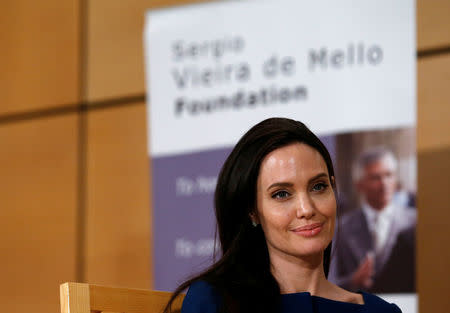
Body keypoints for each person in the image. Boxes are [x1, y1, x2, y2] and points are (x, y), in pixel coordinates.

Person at [164, 118, 402, 313]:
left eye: (318, 187)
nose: (306, 209)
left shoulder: (381, 311)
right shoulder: (215, 301)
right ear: (252, 211)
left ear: (333, 187)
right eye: (281, 194)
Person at [328, 147, 416, 293]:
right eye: (375, 177)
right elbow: (329, 281)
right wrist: (353, 280)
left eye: (389, 175)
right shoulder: (342, 228)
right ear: (359, 185)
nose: (384, 183)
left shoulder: (415, 221)